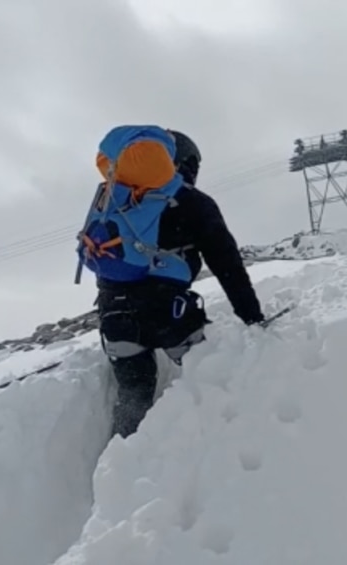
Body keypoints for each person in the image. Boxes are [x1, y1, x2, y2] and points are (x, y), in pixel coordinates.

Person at [75, 125, 265, 438]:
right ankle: (211, 450)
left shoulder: (113, 200)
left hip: (115, 316)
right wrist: (252, 316)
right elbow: (227, 266)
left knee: (133, 396)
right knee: (210, 376)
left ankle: (123, 467)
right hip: (169, 315)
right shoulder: (194, 202)